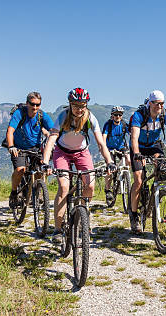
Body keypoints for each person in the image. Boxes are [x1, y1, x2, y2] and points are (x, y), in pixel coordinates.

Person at [42, 88, 116, 243]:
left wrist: (109, 161)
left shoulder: (90, 117)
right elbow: (51, 140)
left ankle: (83, 214)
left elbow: (101, 143)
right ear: (70, 104)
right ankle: (58, 228)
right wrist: (45, 162)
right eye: (76, 105)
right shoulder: (63, 116)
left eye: (82, 105)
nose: (79, 108)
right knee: (63, 187)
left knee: (90, 185)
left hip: (82, 153)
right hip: (62, 152)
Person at [129, 90, 166, 233]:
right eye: (157, 104)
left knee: (163, 170)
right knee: (138, 180)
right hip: (139, 148)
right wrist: (136, 154)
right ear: (150, 103)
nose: (160, 107)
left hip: (154, 146)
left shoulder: (165, 114)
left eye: (162, 104)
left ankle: (157, 196)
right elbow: (134, 137)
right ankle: (134, 215)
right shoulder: (139, 115)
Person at [5, 92, 54, 209]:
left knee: (40, 169)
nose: (35, 107)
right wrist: (11, 146)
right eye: (32, 104)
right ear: (27, 103)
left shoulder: (42, 115)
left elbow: (54, 130)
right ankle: (14, 193)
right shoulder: (19, 113)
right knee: (20, 169)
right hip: (18, 147)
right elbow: (10, 130)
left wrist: (52, 137)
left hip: (35, 147)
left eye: (38, 104)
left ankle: (36, 191)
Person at [101, 105, 131, 205]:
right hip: (110, 148)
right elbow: (103, 138)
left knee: (129, 159)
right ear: (112, 116)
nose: (118, 116)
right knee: (109, 170)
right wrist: (104, 148)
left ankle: (126, 177)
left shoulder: (123, 124)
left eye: (120, 115)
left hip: (121, 147)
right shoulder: (108, 125)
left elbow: (131, 133)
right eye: (116, 115)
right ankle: (108, 190)